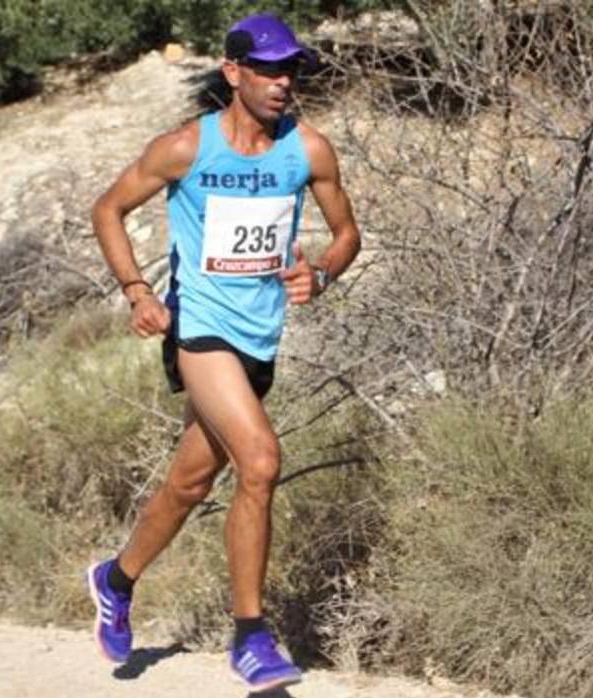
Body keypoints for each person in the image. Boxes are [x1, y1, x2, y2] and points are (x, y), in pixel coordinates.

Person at [85, 13, 362, 693]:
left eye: (290, 69)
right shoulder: (185, 147)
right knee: (260, 460)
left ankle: (115, 579)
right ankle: (251, 637)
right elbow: (107, 209)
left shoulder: (308, 149)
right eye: (267, 69)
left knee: (189, 483)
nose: (282, 82)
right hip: (200, 330)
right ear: (233, 72)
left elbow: (347, 235)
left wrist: (322, 273)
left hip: (259, 339)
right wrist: (137, 292)